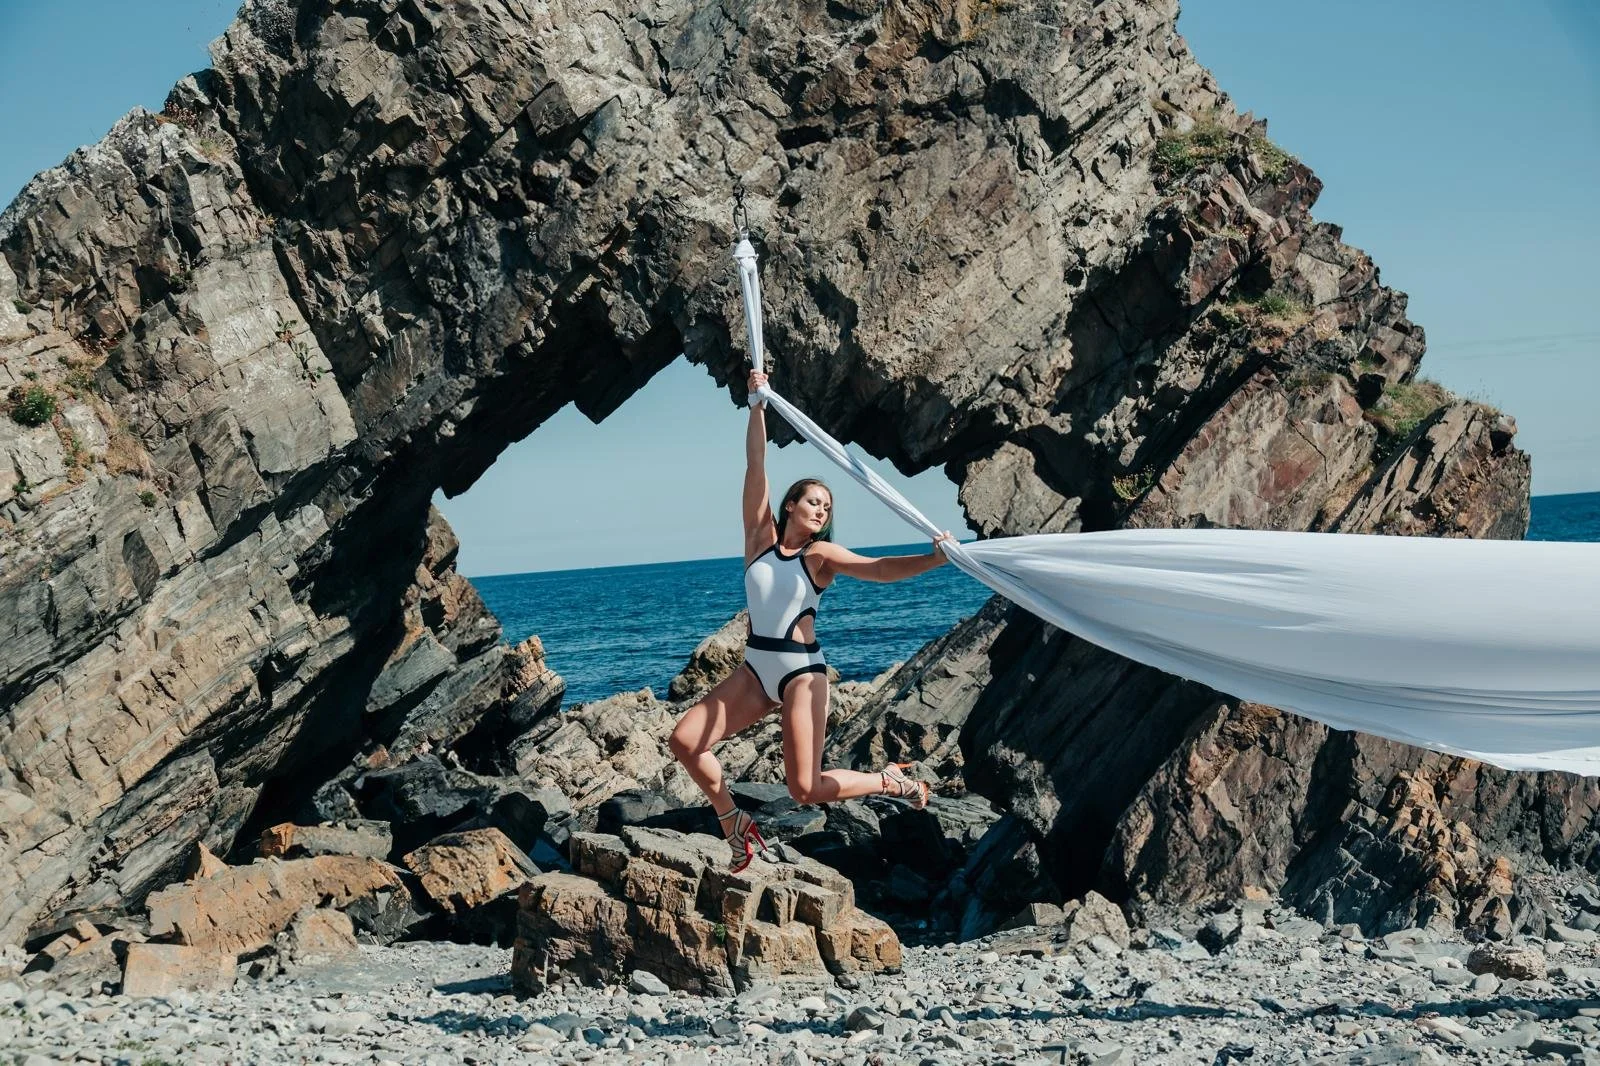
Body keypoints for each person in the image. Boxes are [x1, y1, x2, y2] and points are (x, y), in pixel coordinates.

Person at [668, 368, 955, 872]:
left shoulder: (820, 555)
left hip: (802, 675)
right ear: (790, 505)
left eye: (827, 505)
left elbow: (880, 569)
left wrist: (932, 559)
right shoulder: (759, 541)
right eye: (813, 502)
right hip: (756, 670)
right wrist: (757, 406)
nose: (821, 510)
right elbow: (755, 466)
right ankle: (734, 823)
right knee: (685, 741)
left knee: (804, 789)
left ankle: (890, 782)